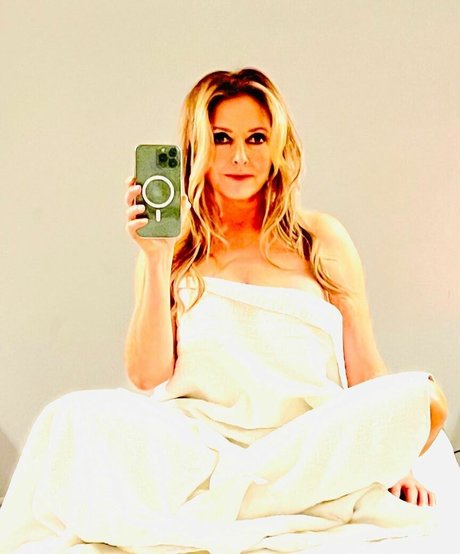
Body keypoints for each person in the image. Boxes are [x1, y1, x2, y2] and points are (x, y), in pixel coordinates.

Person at [0, 68, 449, 553]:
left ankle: (234, 502)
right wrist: (156, 258)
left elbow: (366, 372)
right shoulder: (173, 247)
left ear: (277, 146)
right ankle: (254, 499)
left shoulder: (320, 239)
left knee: (424, 399)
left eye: (256, 138)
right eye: (221, 138)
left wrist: (393, 457)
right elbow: (147, 375)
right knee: (70, 417)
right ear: (197, 147)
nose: (239, 156)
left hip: (305, 442)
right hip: (200, 448)